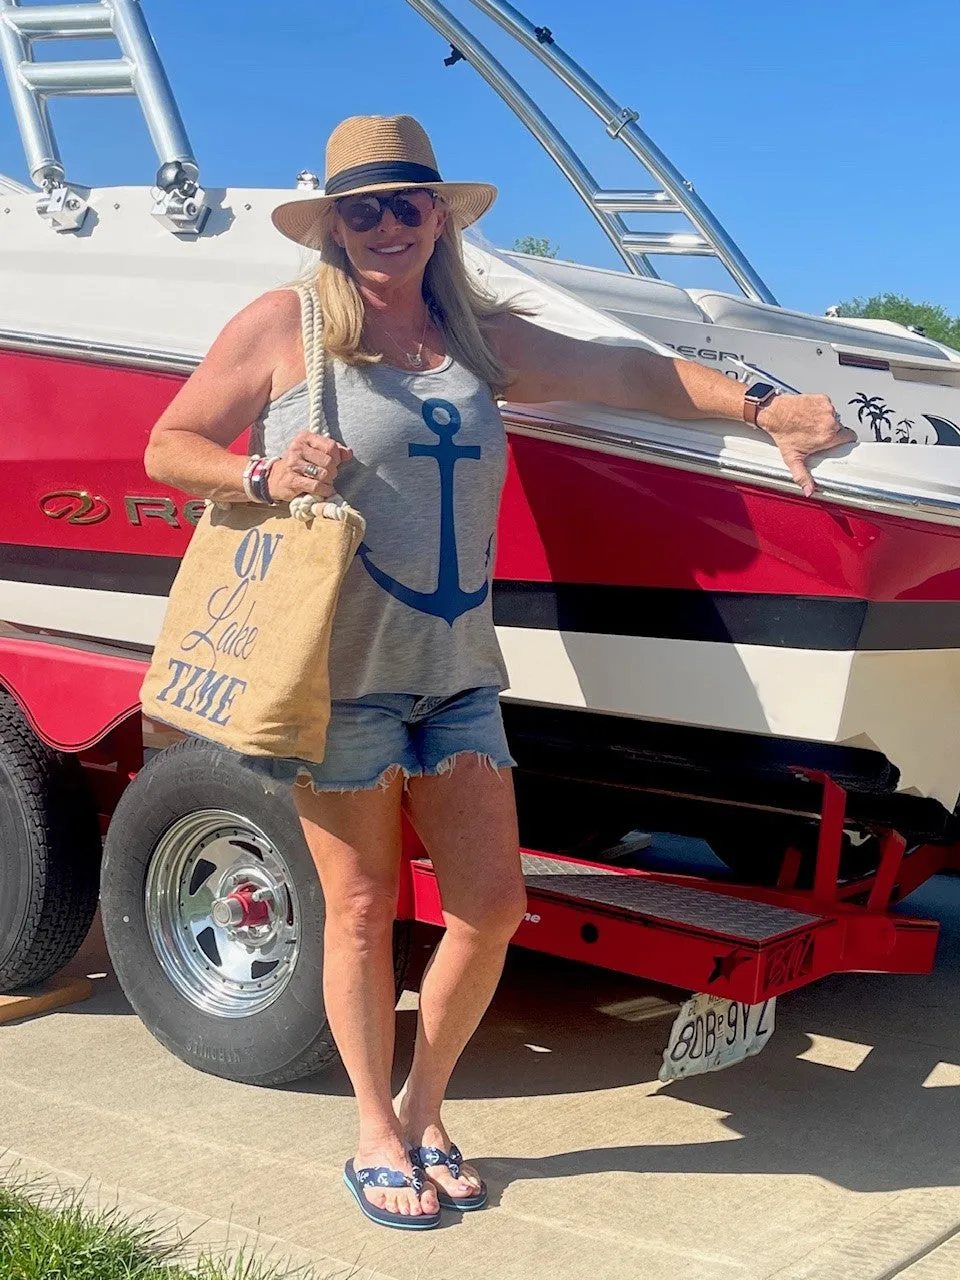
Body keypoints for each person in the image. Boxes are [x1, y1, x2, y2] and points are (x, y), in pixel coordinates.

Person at [144, 114, 855, 1230]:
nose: (387, 225)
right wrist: (266, 471)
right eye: (362, 209)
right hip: (339, 677)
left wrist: (768, 409)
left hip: (459, 674)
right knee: (363, 910)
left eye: (407, 204)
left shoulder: (474, 337)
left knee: (494, 905)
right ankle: (374, 1130)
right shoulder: (289, 327)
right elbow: (168, 443)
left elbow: (628, 373)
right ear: (333, 226)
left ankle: (427, 1105)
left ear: (439, 216)